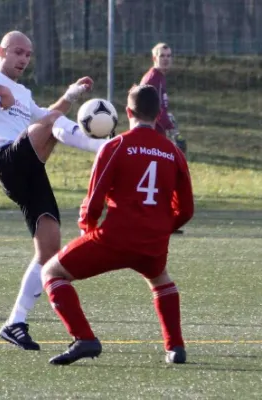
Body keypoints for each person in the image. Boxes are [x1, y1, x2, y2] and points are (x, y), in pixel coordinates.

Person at [0, 31, 108, 351]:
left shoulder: (23, 93)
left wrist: (73, 93)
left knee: (49, 250)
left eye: (28, 55)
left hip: (30, 168)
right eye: (18, 52)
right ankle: (108, 146)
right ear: (2, 51)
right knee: (52, 123)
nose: (23, 59)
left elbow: (47, 117)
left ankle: (15, 322)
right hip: (7, 159)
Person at [41, 84, 195, 366]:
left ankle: (84, 338)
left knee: (52, 272)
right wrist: (162, 227)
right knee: (161, 280)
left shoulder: (116, 146)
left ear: (126, 112)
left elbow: (93, 200)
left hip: (113, 239)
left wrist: (87, 231)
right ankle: (175, 348)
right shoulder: (173, 153)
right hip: (153, 242)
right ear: (159, 113)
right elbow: (186, 209)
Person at [140, 42, 187, 235]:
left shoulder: (160, 78)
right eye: (162, 56)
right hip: (153, 136)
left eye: (169, 55)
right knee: (163, 176)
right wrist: (173, 132)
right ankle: (156, 220)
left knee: (163, 176)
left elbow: (161, 108)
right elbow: (152, 110)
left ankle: (161, 219)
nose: (166, 59)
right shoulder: (153, 78)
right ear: (154, 58)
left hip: (157, 135)